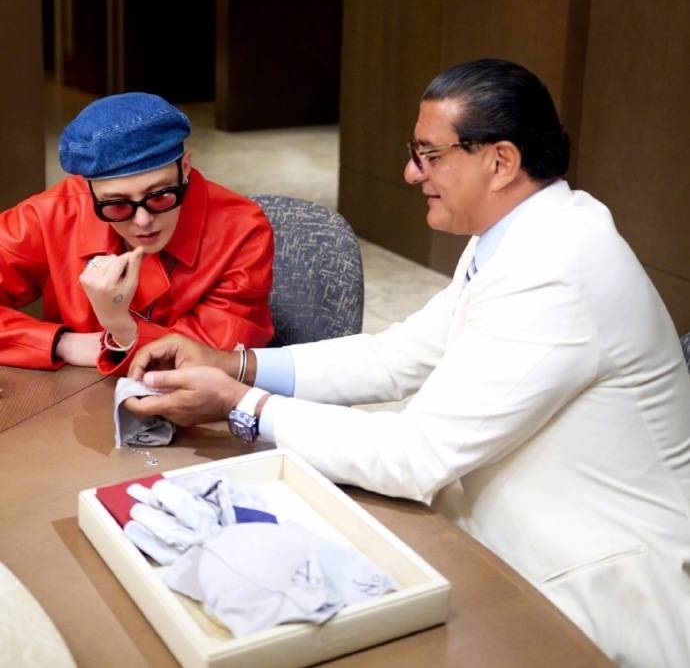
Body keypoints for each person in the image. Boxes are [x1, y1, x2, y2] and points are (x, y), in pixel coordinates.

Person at [125, 59, 690, 668]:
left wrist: (243, 407)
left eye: (429, 155)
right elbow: (396, 356)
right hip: (499, 532)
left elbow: (417, 455)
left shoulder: (557, 268)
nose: (411, 172)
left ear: (500, 162)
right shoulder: (519, 231)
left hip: (592, 589)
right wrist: (235, 364)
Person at [0, 92, 274, 374]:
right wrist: (62, 343)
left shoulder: (242, 231)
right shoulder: (53, 213)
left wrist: (120, 327)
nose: (143, 220)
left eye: (160, 196)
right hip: (66, 391)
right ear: (89, 189)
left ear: (185, 168)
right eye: (117, 204)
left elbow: (218, 361)